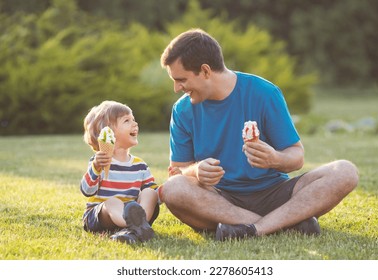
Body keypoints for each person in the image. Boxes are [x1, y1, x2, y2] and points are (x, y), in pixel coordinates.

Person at [160, 28, 359, 241]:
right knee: (172, 189)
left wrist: (275, 158)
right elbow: (178, 172)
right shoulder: (182, 110)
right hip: (218, 201)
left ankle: (254, 228)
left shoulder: (264, 92)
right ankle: (286, 222)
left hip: (275, 193)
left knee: (345, 171)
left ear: (206, 71)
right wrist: (196, 171)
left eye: (181, 79)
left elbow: (296, 157)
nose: (176, 88)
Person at [80, 100, 160, 244]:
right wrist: (95, 168)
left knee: (150, 193)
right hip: (100, 217)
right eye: (127, 121)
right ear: (108, 131)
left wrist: (165, 189)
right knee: (112, 202)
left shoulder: (139, 165)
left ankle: (138, 226)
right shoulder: (99, 161)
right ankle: (135, 226)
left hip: (132, 210)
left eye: (134, 119)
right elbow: (87, 190)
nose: (135, 124)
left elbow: (154, 192)